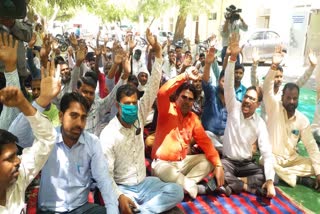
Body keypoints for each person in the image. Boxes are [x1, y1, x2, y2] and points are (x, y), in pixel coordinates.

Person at [100, 28, 184, 214]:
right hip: (123, 188)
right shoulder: (108, 134)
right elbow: (106, 176)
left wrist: (159, 54)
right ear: (118, 106)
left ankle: (143, 211)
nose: (131, 107)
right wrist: (120, 196)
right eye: (126, 104)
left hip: (145, 184)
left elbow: (154, 87)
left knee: (177, 191)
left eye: (134, 103)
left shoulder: (138, 115)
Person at [0, 40, 59, 213]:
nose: (18, 161)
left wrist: (30, 104)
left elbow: (47, 139)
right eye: (10, 158)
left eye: (15, 155)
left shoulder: (18, 179)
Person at [151, 62, 224, 199]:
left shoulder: (194, 118)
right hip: (162, 164)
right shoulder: (167, 109)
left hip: (181, 164)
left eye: (190, 99)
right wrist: (184, 76)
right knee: (166, 172)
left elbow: (206, 143)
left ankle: (179, 187)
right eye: (183, 97)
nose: (186, 101)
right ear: (177, 97)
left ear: (193, 102)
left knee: (208, 160)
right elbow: (162, 93)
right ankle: (197, 189)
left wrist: (218, 165)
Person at [220, 33, 275, 198]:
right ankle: (246, 187)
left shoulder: (259, 123)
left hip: (246, 164)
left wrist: (270, 181)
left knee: (267, 176)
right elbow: (228, 84)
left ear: (258, 105)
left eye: (252, 99)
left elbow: (266, 152)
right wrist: (233, 58)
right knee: (217, 168)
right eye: (246, 97)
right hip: (228, 162)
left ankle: (233, 185)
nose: (247, 101)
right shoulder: (233, 106)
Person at [263, 48, 320, 191]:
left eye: (295, 98)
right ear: (282, 97)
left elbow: (312, 147)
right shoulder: (274, 107)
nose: (292, 101)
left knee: (317, 165)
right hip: (273, 158)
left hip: (292, 160)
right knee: (265, 161)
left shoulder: (302, 120)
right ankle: (298, 178)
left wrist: (318, 173)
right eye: (288, 98)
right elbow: (267, 88)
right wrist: (273, 66)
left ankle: (280, 176)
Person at [201, 47, 227, 153]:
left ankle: (223, 150)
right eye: (223, 81)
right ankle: (226, 152)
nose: (225, 85)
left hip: (224, 136)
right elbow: (205, 82)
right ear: (219, 81)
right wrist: (207, 65)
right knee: (207, 135)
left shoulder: (232, 98)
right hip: (210, 134)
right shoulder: (211, 92)